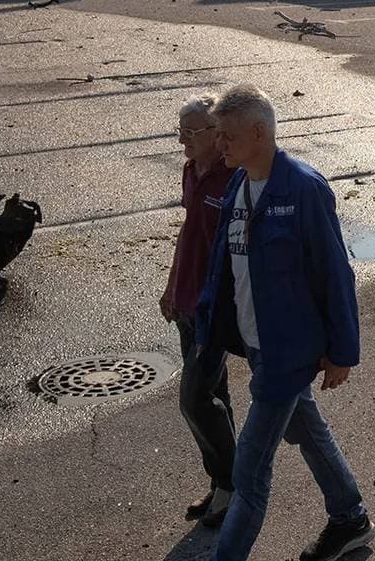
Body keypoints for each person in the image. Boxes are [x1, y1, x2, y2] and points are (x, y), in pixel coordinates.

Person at [196, 84, 373, 561]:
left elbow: (335, 274)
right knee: (307, 431)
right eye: (218, 136)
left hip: (287, 353)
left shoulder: (304, 189)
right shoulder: (238, 183)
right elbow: (225, 263)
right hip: (259, 345)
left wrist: (342, 353)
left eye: (228, 136)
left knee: (249, 474)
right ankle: (350, 519)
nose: (221, 145)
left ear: (260, 133)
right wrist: (208, 320)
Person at [162, 94, 237, 529]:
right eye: (180, 131)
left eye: (192, 133)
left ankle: (234, 484)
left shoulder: (233, 179)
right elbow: (188, 234)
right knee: (215, 396)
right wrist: (171, 287)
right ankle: (220, 484)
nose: (183, 141)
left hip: (214, 309)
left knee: (193, 396)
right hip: (187, 302)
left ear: (216, 134)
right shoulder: (192, 171)